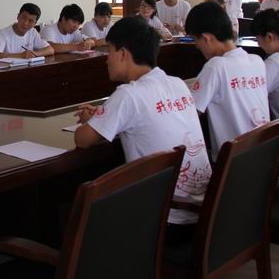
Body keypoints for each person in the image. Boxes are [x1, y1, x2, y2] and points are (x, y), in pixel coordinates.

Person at [74, 17, 211, 237]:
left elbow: (82, 139)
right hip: (201, 212)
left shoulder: (128, 94)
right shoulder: (177, 83)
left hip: (163, 219)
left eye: (109, 51)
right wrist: (104, 116)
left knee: (79, 212)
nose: (106, 60)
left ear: (123, 54)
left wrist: (93, 120)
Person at [185, 1, 269, 158]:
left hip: (233, 162)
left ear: (207, 38)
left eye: (196, 40)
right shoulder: (257, 61)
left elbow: (189, 113)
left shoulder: (216, 66)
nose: (197, 47)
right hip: (263, 155)